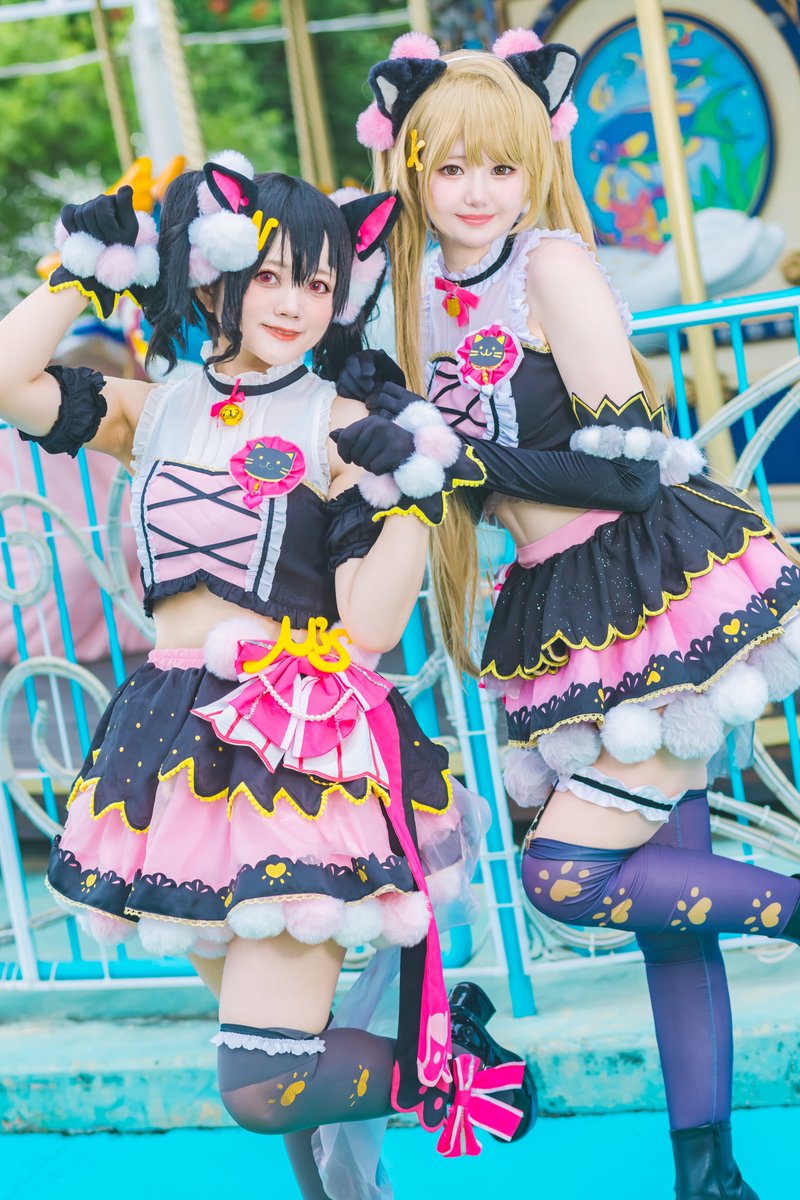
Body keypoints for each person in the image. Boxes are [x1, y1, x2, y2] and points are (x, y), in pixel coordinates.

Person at [0, 152, 534, 1199]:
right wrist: (80, 269)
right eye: (273, 275)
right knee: (273, 1039)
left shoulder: (338, 420)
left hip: (290, 743)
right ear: (218, 276)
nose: (294, 303)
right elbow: (9, 382)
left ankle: (447, 1060)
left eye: (318, 283)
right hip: (172, 741)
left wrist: (412, 490)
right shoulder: (153, 407)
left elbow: (369, 628)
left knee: (263, 1079)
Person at [348, 28, 800, 1200]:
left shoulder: (548, 268)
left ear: (532, 167)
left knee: (562, 874)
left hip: (644, 582)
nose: (477, 192)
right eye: (452, 167)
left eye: (500, 167)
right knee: (670, 915)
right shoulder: (410, 298)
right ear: (411, 168)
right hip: (556, 605)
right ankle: (706, 1174)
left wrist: (456, 458)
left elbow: (629, 468)